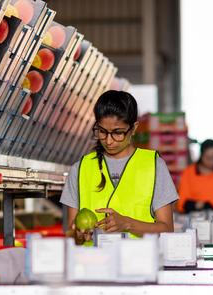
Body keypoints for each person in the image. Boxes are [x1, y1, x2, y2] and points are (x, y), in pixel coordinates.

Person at [60, 90, 179, 242]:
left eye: (117, 133)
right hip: (92, 263)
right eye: (102, 132)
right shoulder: (80, 168)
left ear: (134, 128)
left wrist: (128, 224)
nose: (109, 141)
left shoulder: (154, 166)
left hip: (140, 263)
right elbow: (71, 233)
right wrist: (79, 235)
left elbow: (167, 230)